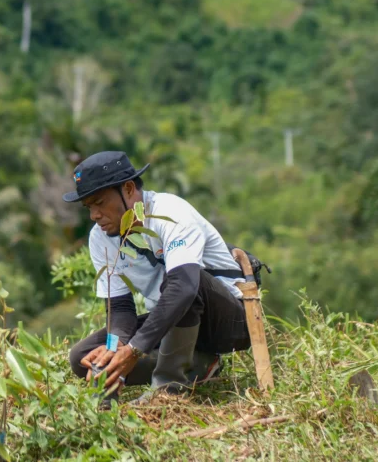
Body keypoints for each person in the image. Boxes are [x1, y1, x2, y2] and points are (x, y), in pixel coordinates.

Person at [63, 151, 251, 406]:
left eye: (99, 203)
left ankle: (168, 390)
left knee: (179, 285)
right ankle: (199, 365)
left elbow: (184, 287)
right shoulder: (101, 238)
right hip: (174, 324)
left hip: (226, 325)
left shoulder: (170, 213)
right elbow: (119, 310)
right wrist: (114, 347)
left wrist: (135, 349)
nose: (94, 215)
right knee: (81, 357)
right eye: (89, 207)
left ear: (128, 189)